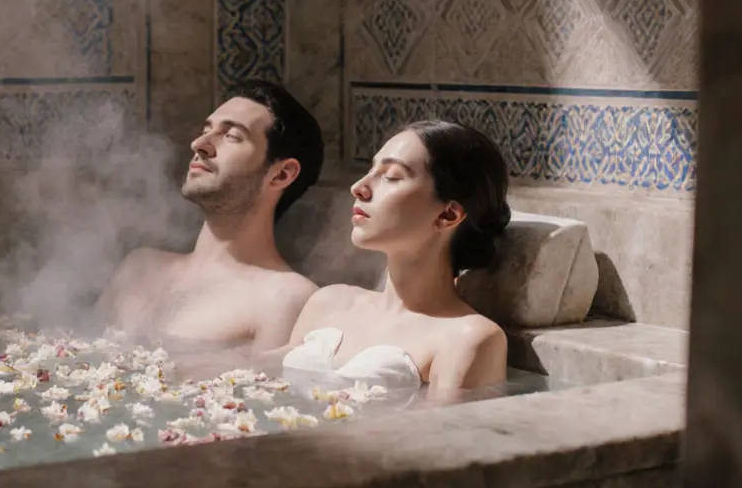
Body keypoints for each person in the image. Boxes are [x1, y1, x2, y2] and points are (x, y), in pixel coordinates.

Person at [270, 119, 513, 397]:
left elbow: (445, 437)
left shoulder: (467, 338)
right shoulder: (328, 303)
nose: (359, 187)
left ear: (448, 215)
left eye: (392, 176)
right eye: (370, 170)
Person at [96, 80, 325, 353]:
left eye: (232, 136)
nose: (199, 144)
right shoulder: (138, 269)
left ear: (281, 174)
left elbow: (270, 393)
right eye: (207, 130)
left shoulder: (286, 298)